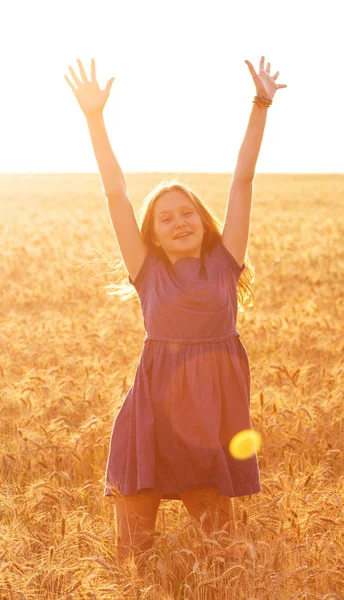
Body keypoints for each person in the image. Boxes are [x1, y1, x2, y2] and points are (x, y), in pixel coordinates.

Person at [65, 56, 287, 567]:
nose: (180, 221)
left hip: (211, 419)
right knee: (133, 560)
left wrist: (261, 104)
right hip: (150, 417)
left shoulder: (226, 262)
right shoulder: (147, 271)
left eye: (187, 212)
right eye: (167, 218)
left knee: (222, 558)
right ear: (153, 233)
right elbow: (117, 194)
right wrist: (95, 119)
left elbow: (242, 182)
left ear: (202, 221)